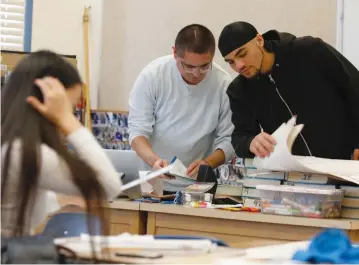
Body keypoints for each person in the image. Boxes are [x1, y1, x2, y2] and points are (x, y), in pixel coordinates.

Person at [1, 50, 123, 236]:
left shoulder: (9, 144)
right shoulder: (22, 150)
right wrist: (68, 120)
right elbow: (108, 186)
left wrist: (61, 198)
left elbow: (16, 198)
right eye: (70, 107)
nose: (71, 113)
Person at [218, 21, 359, 161]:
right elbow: (240, 137)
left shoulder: (309, 51)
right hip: (292, 174)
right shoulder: (240, 90)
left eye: (242, 54)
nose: (239, 65)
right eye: (231, 62)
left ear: (259, 40)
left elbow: (354, 88)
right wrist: (250, 143)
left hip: (345, 163)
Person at [128, 24, 234, 193]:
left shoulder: (224, 85)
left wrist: (208, 164)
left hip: (198, 185)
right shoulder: (153, 76)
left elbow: (228, 139)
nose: (197, 73)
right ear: (174, 53)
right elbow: (137, 134)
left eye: (205, 66)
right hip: (153, 177)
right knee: (151, 217)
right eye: (189, 66)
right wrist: (155, 161)